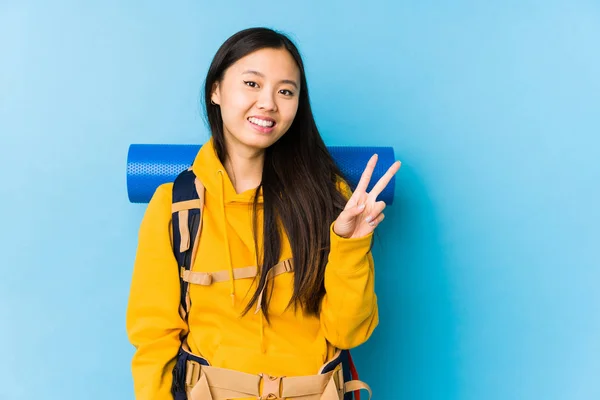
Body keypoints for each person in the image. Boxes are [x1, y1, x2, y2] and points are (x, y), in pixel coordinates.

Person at [126, 27, 401, 399]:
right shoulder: (175, 205)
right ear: (216, 90)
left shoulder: (330, 198)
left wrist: (350, 245)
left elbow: (348, 334)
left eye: (285, 91)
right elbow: (154, 337)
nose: (269, 103)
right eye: (252, 84)